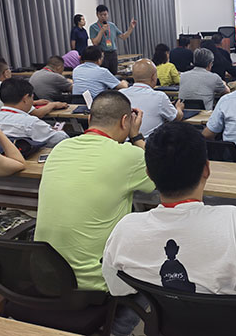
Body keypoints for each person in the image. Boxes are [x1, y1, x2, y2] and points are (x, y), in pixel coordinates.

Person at [102, 122, 236, 336]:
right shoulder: (235, 224)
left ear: (149, 173)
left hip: (173, 327)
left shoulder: (125, 230)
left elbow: (118, 288)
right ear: (206, 169)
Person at [34, 91, 154, 289]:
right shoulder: (129, 155)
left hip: (45, 277)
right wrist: (136, 136)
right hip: (96, 283)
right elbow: (158, 173)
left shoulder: (60, 148)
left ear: (89, 119)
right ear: (125, 121)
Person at [0, 79, 69, 147]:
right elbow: (61, 139)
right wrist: (59, 131)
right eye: (32, 98)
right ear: (25, 99)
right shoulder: (30, 122)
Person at [0, 55, 67, 119]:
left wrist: (34, 103)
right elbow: (37, 113)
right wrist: (53, 105)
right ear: (6, 73)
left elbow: (1, 103)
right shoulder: (10, 89)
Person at [121, 59, 184, 136]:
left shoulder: (120, 94)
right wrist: (179, 108)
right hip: (149, 142)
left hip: (124, 141)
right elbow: (176, 118)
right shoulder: (160, 97)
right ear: (154, 77)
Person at [89, 4, 137, 75]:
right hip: (102, 54)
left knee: (114, 73)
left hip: (113, 53)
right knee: (104, 75)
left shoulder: (112, 25)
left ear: (108, 14)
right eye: (101, 15)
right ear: (97, 15)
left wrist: (131, 28)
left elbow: (123, 37)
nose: (103, 17)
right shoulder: (93, 27)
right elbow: (95, 43)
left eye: (105, 14)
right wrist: (101, 31)